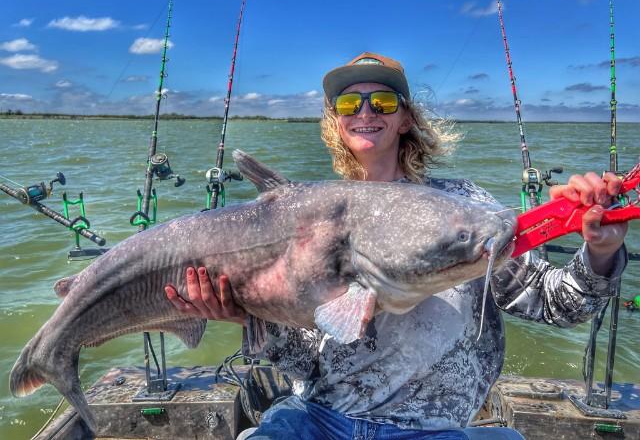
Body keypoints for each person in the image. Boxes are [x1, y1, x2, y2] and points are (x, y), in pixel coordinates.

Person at [165, 52, 628, 439]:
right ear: (337, 121)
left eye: (383, 101)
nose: (367, 112)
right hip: (321, 418)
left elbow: (557, 304)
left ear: (407, 118)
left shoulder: (468, 212)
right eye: (350, 103)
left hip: (431, 428)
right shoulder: (308, 221)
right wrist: (251, 315)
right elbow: (306, 362)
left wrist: (600, 251)